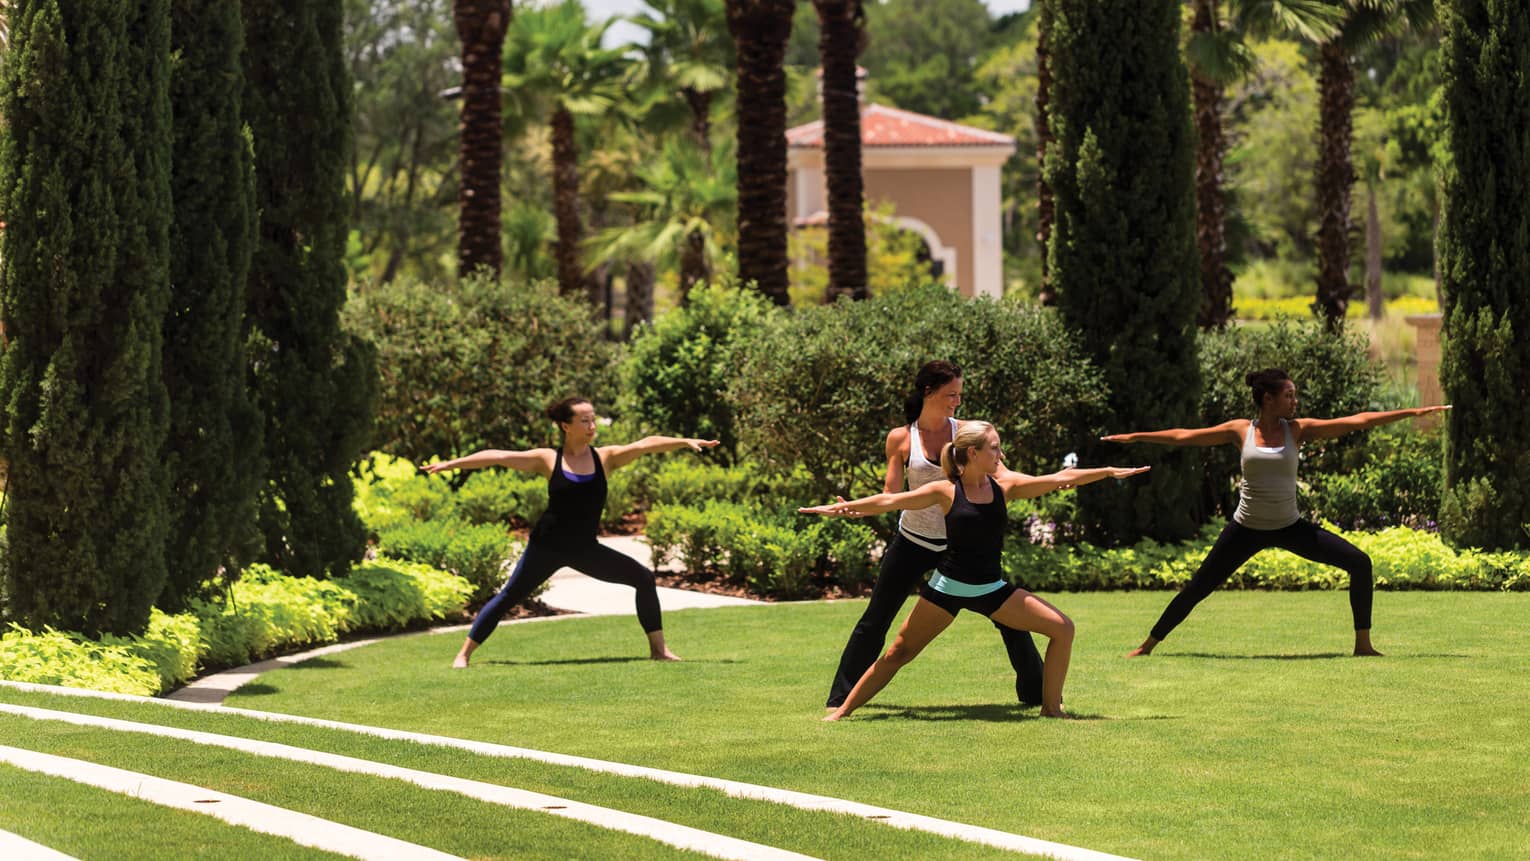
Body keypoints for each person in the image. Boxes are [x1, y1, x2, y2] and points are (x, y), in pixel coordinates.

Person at [802, 421, 1149, 720]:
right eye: (994, 449)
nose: (1000, 455)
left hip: (991, 589)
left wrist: (1105, 472)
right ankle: (842, 711)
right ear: (972, 454)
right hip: (947, 588)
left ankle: (1051, 709)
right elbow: (891, 501)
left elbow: (1059, 478)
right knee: (898, 653)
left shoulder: (1006, 487)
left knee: (1063, 629)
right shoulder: (945, 490)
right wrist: (843, 510)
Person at [1104, 368, 1451, 658]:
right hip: (1245, 528)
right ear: (1268, 398)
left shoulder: (1297, 430)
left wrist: (1412, 413)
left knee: (1360, 562)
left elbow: (1357, 421)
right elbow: (1184, 436)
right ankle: (1147, 646)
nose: (1295, 402)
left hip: (1289, 526)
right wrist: (1135, 437)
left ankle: (1363, 645)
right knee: (1198, 587)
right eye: (1289, 395)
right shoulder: (1241, 430)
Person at [424, 397, 719, 668]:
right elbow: (499, 456)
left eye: (593, 419)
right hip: (546, 547)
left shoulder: (605, 458)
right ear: (566, 426)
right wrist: (452, 464)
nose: (592, 426)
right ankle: (463, 655)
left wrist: (683, 441)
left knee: (643, 578)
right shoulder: (548, 459)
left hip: (584, 549)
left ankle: (659, 651)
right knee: (509, 596)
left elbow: (645, 444)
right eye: (584, 421)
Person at [824, 361, 1047, 710]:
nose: (956, 401)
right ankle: (841, 699)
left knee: (1011, 620)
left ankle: (1037, 694)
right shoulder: (901, 438)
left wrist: (1049, 480)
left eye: (959, 394)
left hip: (960, 549)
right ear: (927, 392)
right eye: (950, 394)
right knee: (877, 617)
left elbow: (1002, 473)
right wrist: (856, 506)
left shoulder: (966, 435)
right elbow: (891, 493)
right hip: (913, 542)